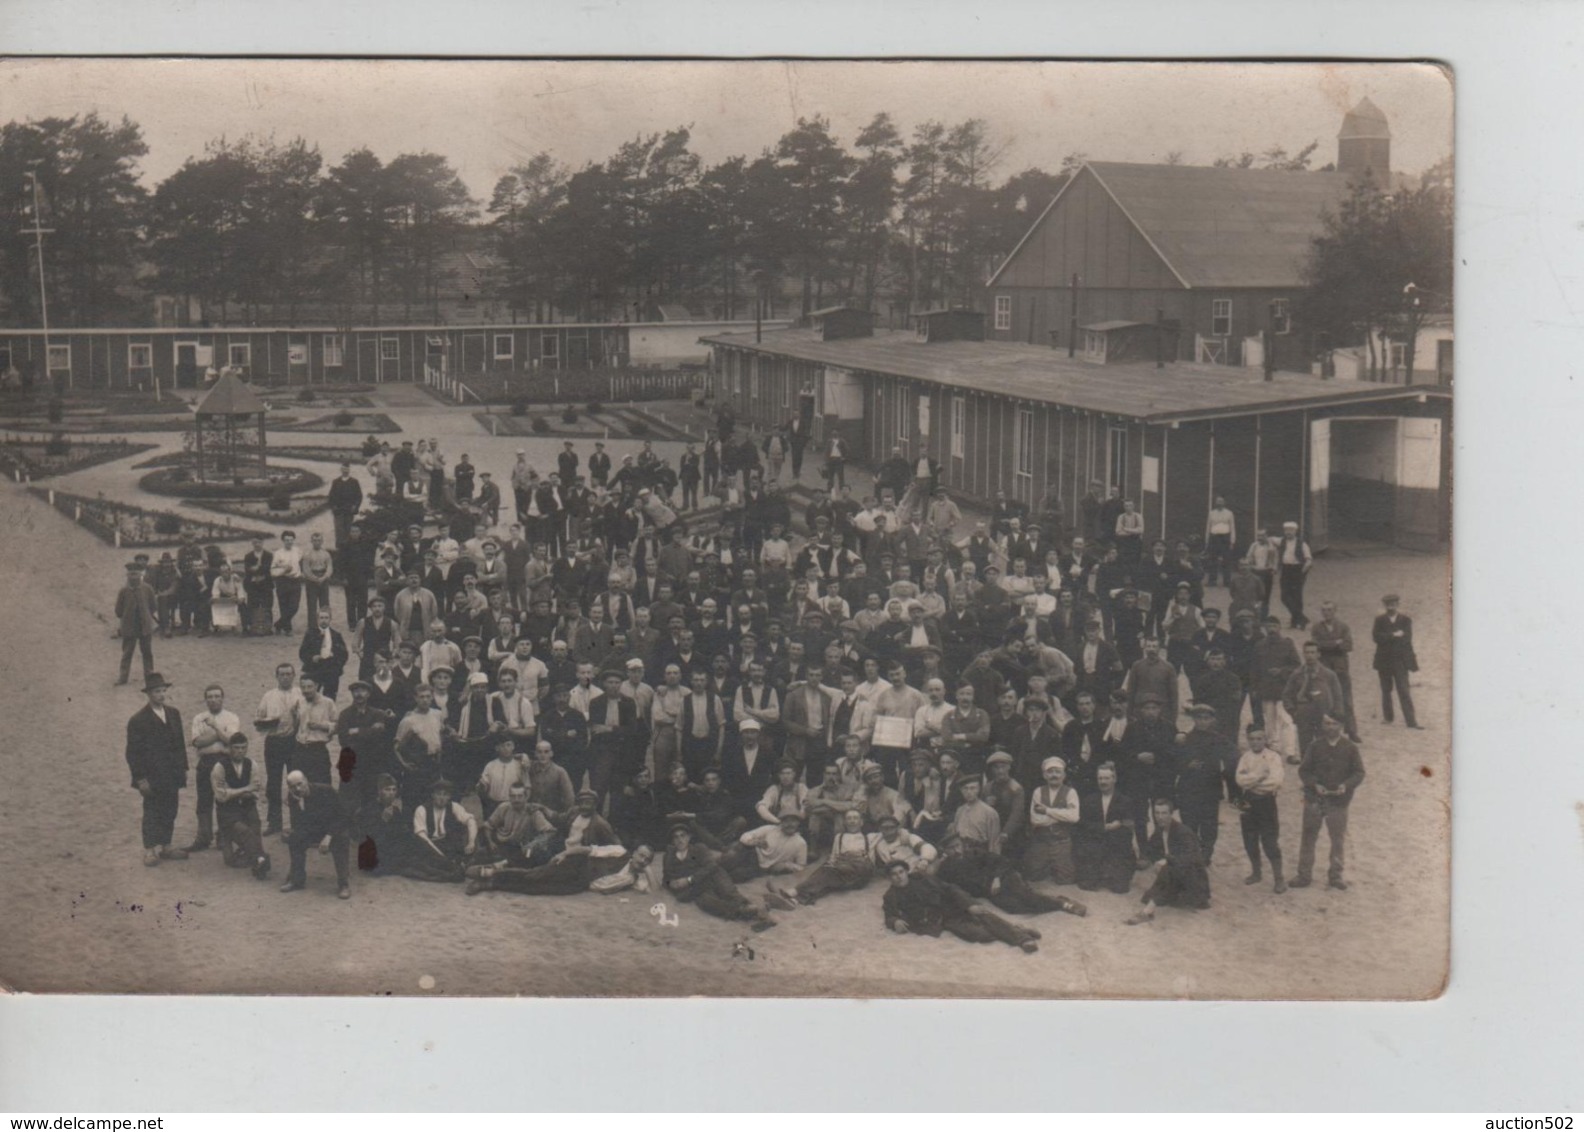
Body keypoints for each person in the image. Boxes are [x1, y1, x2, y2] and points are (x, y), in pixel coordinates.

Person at [880, 859, 1041, 953]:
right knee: (979, 935)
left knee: (983, 915)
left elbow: (950, 888)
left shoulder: (922, 878)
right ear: (889, 878)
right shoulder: (891, 895)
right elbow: (889, 915)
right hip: (942, 920)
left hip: (954, 906)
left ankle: (1023, 939)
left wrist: (968, 904)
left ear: (906, 872)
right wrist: (895, 922)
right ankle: (1017, 929)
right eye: (894, 874)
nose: (898, 877)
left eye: (901, 872)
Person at [934, 834, 1088, 918]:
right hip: (991, 892)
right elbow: (950, 888)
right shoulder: (947, 870)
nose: (957, 851)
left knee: (1026, 896)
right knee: (1014, 908)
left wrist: (996, 878)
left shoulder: (974, 853)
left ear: (962, 845)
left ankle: (1065, 905)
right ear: (945, 851)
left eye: (958, 846)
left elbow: (1003, 861)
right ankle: (1057, 900)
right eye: (951, 848)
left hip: (1004, 876)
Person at [1293, 714, 1365, 891]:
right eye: (1327, 723)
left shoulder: (1350, 748)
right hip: (1314, 800)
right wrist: (1314, 785)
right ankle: (1304, 875)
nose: (1330, 727)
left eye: (1334, 723)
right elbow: (1304, 771)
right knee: (1308, 837)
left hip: (1339, 802)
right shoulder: (1315, 746)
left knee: (1337, 840)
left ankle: (1335, 875)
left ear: (1341, 726)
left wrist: (1345, 786)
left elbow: (1359, 773)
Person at [660, 823, 778, 931]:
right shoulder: (669, 856)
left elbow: (711, 865)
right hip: (696, 888)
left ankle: (746, 905)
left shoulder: (698, 848)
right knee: (705, 901)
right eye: (676, 837)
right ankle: (746, 911)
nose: (680, 840)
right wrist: (672, 884)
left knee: (722, 882)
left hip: (707, 877)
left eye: (682, 836)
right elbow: (666, 878)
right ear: (672, 841)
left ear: (689, 837)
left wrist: (689, 879)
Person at [125, 672, 189, 867]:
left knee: (171, 808)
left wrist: (183, 768)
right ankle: (150, 849)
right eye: (156, 691)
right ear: (149, 694)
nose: (161, 695)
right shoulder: (138, 720)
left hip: (172, 773)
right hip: (152, 775)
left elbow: (180, 743)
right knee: (152, 810)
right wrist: (140, 779)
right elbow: (133, 753)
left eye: (163, 691)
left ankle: (166, 846)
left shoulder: (173, 714)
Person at [1125, 799, 1211, 924]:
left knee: (1169, 868)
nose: (1160, 817)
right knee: (1150, 893)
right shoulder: (1160, 830)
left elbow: (1190, 859)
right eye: (1157, 813)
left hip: (1193, 880)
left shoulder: (1183, 832)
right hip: (1175, 878)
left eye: (1164, 813)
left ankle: (1148, 912)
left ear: (1171, 814)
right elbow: (1149, 850)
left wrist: (1166, 861)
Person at [184, 683, 241, 853]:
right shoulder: (198, 718)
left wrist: (215, 729)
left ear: (222, 698)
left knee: (224, 799)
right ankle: (203, 837)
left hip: (224, 762)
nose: (214, 700)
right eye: (210, 697)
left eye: (217, 696)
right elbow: (197, 742)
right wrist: (220, 734)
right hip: (205, 762)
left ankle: (223, 836)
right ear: (205, 700)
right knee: (204, 801)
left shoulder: (232, 717)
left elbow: (232, 742)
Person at [279, 770, 352, 899]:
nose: (298, 788)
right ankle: (297, 880)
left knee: (342, 839)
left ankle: (343, 884)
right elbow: (298, 824)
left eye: (300, 784)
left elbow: (343, 816)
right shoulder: (293, 797)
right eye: (293, 786)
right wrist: (298, 804)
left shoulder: (325, 790)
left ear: (306, 780)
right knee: (295, 838)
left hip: (333, 829)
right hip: (313, 830)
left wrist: (329, 836)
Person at [1234, 725, 1286, 893]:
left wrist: (1253, 782)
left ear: (1265, 739)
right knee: (1249, 839)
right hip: (1248, 802)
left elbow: (1275, 782)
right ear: (1247, 740)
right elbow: (1240, 781)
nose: (1255, 742)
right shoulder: (1245, 757)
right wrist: (1259, 776)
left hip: (1267, 802)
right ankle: (1256, 872)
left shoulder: (1273, 757)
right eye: (1252, 739)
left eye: (1259, 738)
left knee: (1270, 841)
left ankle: (1279, 878)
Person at [212, 733, 271, 878]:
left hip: (247, 807)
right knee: (233, 855)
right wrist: (245, 789)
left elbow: (255, 791)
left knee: (255, 827)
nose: (240, 751)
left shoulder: (252, 764)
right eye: (236, 748)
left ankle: (256, 857)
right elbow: (220, 795)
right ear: (229, 749)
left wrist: (233, 792)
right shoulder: (220, 767)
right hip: (227, 811)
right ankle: (261, 858)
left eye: (243, 748)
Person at [1075, 763, 1135, 894]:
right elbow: (1083, 825)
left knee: (1120, 888)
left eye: (1107, 778)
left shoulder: (1125, 801)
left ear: (1114, 779)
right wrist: (1104, 828)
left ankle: (1113, 871)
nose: (1103, 782)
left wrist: (1118, 826)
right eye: (1100, 778)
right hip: (1095, 846)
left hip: (1116, 847)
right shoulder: (1089, 800)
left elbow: (1128, 827)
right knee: (1086, 884)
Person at [1283, 640, 1346, 762]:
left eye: (1312, 652)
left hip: (1324, 715)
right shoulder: (1297, 674)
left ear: (1319, 654)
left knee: (1324, 745)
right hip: (1304, 715)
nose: (1309, 656)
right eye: (1306, 653)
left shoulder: (1329, 675)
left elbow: (1338, 696)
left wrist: (1337, 716)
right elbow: (1287, 695)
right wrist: (1293, 712)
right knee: (1305, 746)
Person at [407, 779, 478, 882]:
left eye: (445, 795)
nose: (442, 798)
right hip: (430, 845)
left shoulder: (453, 806)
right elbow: (422, 837)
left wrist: (471, 842)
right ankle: (451, 870)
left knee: (471, 838)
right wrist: (440, 855)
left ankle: (456, 867)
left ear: (449, 797)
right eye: (438, 794)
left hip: (447, 844)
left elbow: (471, 820)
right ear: (432, 795)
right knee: (423, 861)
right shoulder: (422, 809)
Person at [1024, 757, 1081, 884]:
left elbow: (1074, 817)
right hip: (1041, 840)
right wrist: (1061, 817)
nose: (1054, 775)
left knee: (1065, 879)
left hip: (1061, 841)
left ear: (1064, 775)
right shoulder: (1038, 791)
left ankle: (1056, 865)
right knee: (1033, 875)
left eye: (1057, 771)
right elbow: (1035, 820)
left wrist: (1047, 811)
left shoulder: (1071, 792)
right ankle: (1047, 865)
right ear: (1045, 775)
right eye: (1050, 772)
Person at [1310, 601, 1361, 742]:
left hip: (1341, 669)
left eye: (1330, 610)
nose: (1327, 613)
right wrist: (1335, 643)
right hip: (1325, 670)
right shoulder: (1316, 628)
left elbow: (1348, 645)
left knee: (1346, 701)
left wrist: (1328, 645)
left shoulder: (1343, 627)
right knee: (1324, 700)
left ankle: (1351, 731)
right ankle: (1324, 731)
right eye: (1324, 610)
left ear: (1335, 611)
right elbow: (1316, 646)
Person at [1372, 593, 1421, 730]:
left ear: (1398, 604)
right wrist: (1394, 635)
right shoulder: (1379, 620)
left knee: (1404, 690)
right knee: (1386, 690)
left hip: (1400, 661)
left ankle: (1411, 721)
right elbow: (1376, 638)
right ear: (1384, 605)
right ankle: (1388, 717)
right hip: (1384, 661)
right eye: (1388, 603)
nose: (1390, 605)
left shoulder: (1406, 620)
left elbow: (1406, 639)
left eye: (1393, 603)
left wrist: (1387, 638)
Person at [719, 810, 808, 884]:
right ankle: (714, 870)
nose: (790, 824)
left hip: (761, 867)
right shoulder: (770, 829)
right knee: (733, 854)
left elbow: (801, 867)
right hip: (752, 854)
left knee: (736, 875)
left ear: (798, 823)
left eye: (793, 821)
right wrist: (756, 842)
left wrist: (786, 865)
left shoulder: (801, 843)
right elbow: (745, 836)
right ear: (781, 822)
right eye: (786, 821)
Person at [114, 562, 158, 686]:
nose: (134, 577)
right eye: (131, 574)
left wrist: (146, 616)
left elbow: (153, 606)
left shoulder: (147, 589)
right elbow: (118, 610)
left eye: (136, 574)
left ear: (141, 575)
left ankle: (149, 677)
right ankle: (123, 677)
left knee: (147, 652)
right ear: (127, 575)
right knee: (127, 653)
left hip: (145, 627)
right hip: (129, 628)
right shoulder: (123, 591)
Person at [292, 675, 339, 785]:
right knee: (299, 784)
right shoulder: (299, 702)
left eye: (309, 687)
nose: (306, 690)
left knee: (322, 785)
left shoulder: (328, 703)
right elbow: (296, 727)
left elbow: (338, 726)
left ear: (317, 686)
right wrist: (294, 717)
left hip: (318, 749)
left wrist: (320, 726)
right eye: (303, 687)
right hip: (300, 749)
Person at [298, 606, 349, 701]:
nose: (324, 620)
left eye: (326, 618)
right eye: (321, 618)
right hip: (314, 669)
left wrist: (336, 664)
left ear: (330, 619)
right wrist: (312, 658)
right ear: (317, 619)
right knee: (310, 695)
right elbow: (302, 652)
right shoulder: (310, 634)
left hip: (331, 669)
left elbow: (344, 654)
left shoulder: (336, 635)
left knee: (330, 697)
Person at [1275, 521, 1312, 629]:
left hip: (1297, 570)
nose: (1288, 533)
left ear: (1295, 531)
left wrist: (1302, 571)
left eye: (1291, 531)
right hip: (1286, 570)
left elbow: (1309, 559)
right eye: (1286, 531)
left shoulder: (1302, 543)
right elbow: (1269, 539)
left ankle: (1295, 622)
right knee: (1284, 597)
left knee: (1297, 597)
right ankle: (1302, 618)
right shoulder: (1281, 541)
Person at [270, 530, 304, 635]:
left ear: (293, 540)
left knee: (294, 607)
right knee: (284, 606)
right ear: (283, 541)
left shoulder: (298, 551)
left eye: (291, 540)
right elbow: (273, 571)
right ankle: (288, 629)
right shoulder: (278, 553)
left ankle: (278, 624)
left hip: (295, 581)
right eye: (286, 540)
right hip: (283, 581)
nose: (289, 542)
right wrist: (284, 570)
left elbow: (301, 564)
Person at [1203, 495, 1237, 586]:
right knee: (1212, 560)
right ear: (1215, 503)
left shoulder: (1229, 513)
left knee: (1226, 560)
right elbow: (1208, 527)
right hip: (1214, 538)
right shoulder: (1211, 513)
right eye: (1218, 501)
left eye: (1221, 501)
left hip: (1225, 538)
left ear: (1224, 503)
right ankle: (1212, 581)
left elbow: (1232, 527)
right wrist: (1207, 540)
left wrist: (1232, 541)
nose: (1219, 503)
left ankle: (1227, 581)